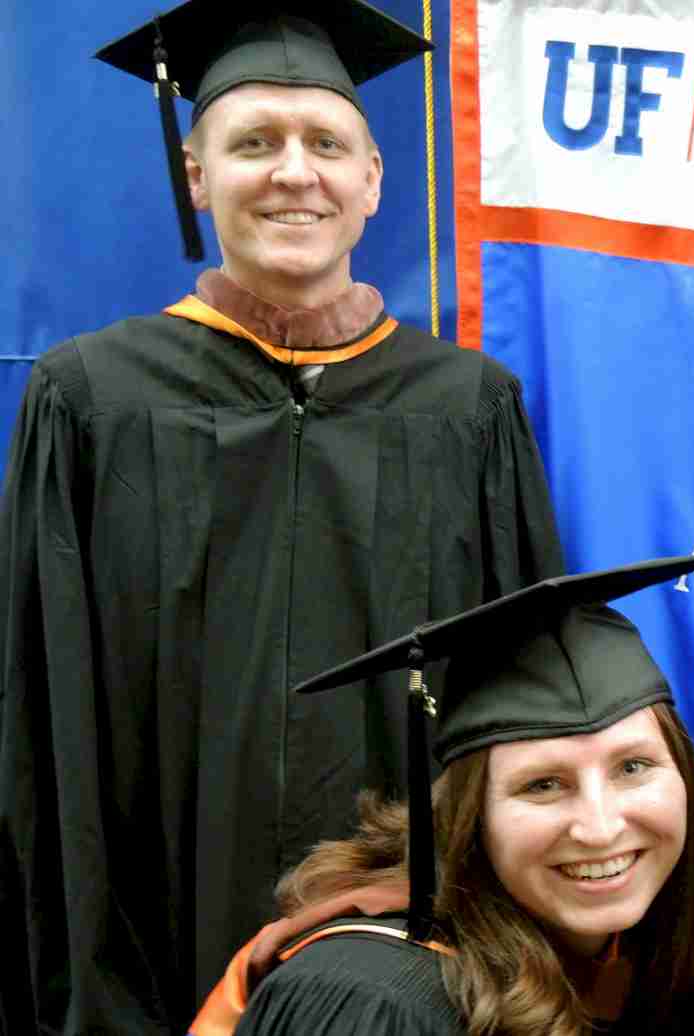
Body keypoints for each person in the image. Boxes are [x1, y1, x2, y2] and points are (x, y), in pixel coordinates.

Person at [0, 4, 564, 1031]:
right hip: (147, 934)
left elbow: (522, 704)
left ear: (372, 181)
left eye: (326, 144)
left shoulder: (467, 409)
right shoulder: (89, 397)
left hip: (397, 961)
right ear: (195, 173)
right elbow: (42, 716)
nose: (293, 171)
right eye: (253, 142)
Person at [190, 554, 694, 1035]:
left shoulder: (650, 957)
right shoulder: (371, 997)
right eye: (542, 785)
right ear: (468, 814)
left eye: (634, 766)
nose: (599, 827)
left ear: (687, 777)